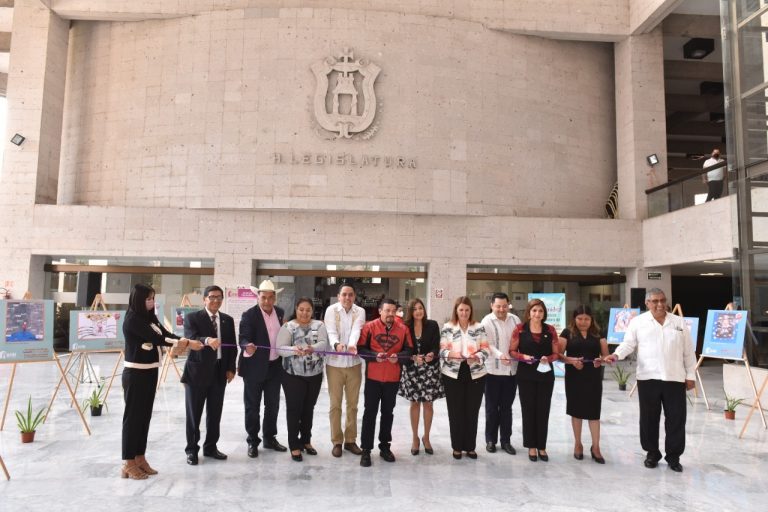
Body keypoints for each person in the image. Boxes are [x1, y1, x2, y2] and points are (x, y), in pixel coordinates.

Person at [604, 288, 696, 473]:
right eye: (655, 301)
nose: (659, 304)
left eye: (662, 300)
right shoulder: (638, 322)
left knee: (676, 419)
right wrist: (615, 355)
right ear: (647, 303)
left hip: (674, 378)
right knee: (649, 418)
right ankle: (652, 453)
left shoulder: (678, 322)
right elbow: (628, 344)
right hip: (648, 378)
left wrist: (690, 376)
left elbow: (688, 351)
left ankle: (674, 456)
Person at [121, 283, 201, 479]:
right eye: (148, 299)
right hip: (135, 374)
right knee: (133, 419)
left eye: (153, 299)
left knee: (144, 417)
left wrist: (183, 340)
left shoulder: (150, 319)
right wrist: (188, 343)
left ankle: (140, 458)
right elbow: (157, 340)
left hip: (150, 372)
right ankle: (128, 462)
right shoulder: (132, 320)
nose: (151, 302)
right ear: (138, 300)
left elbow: (165, 335)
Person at [181, 285, 237, 465]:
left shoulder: (227, 320)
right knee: (194, 414)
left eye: (219, 297)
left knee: (215, 413)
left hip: (219, 372)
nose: (216, 300)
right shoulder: (192, 318)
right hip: (197, 372)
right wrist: (206, 340)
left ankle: (211, 447)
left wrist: (231, 368)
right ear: (204, 299)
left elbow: (232, 347)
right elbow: (191, 337)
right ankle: (191, 450)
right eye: (212, 297)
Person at [357, 298, 413, 467]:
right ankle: (366, 450)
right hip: (373, 378)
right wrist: (374, 356)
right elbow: (361, 349)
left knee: (388, 413)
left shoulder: (403, 329)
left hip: (392, 379)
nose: (390, 314)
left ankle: (385, 447)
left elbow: (409, 351)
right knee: (370, 413)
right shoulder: (369, 327)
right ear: (380, 311)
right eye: (387, 310)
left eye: (393, 311)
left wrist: (400, 358)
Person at [238, 279, 287, 458]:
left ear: (275, 298)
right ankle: (252, 440)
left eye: (270, 298)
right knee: (252, 406)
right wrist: (247, 345)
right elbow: (242, 337)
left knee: (272, 405)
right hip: (254, 367)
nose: (266, 301)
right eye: (263, 297)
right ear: (257, 297)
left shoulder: (280, 313)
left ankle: (269, 437)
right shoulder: (249, 315)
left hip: (275, 366)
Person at [276, 297, 330, 462]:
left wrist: (313, 348)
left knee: (308, 409)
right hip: (293, 375)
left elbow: (324, 344)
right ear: (296, 309)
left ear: (312, 311)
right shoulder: (288, 326)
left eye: (308, 310)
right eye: (301, 309)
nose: (304, 313)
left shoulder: (319, 325)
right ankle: (294, 445)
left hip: (314, 375)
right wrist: (294, 349)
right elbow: (280, 349)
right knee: (294, 410)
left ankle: (306, 441)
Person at [509, 298, 561, 462]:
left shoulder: (550, 330)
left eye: (540, 311)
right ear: (529, 312)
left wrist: (549, 358)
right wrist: (523, 356)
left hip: (546, 376)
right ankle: (531, 446)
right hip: (526, 375)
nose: (537, 314)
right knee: (528, 410)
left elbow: (556, 354)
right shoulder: (520, 329)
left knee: (543, 410)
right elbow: (511, 351)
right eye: (534, 311)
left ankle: (542, 446)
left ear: (544, 313)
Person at [440, 296, 490, 460]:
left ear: (471, 311)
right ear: (456, 310)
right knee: (455, 411)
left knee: (471, 411)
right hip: (452, 374)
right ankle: (457, 447)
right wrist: (451, 354)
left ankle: (470, 447)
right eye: (461, 309)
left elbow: (486, 350)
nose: (464, 313)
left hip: (475, 372)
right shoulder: (448, 327)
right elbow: (441, 350)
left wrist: (477, 356)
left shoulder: (479, 327)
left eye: (467, 310)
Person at [560, 305, 609, 463]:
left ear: (591, 319)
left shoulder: (598, 333)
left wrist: (600, 361)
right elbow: (558, 355)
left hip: (593, 376)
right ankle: (578, 444)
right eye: (580, 319)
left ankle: (596, 447)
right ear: (574, 319)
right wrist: (571, 361)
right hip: (574, 376)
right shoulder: (567, 333)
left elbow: (606, 356)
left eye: (587, 319)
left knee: (594, 412)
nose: (583, 322)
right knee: (577, 411)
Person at [323, 283, 365, 457]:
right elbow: (331, 331)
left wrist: (352, 345)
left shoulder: (359, 312)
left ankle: (350, 440)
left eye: (350, 294)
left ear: (354, 296)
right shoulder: (331, 310)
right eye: (344, 294)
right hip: (334, 363)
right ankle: (336, 441)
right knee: (335, 405)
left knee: (353, 405)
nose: (347, 298)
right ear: (339, 296)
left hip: (353, 363)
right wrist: (336, 344)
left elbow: (357, 330)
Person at [397, 298, 444, 455]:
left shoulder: (432, 325)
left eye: (421, 308)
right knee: (415, 403)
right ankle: (415, 438)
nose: (419, 311)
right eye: (415, 308)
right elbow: (402, 348)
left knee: (429, 404)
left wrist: (432, 354)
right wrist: (411, 358)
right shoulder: (405, 327)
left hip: (429, 369)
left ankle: (427, 438)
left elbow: (437, 345)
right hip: (412, 370)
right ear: (411, 311)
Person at [480, 292, 521, 455]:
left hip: (511, 371)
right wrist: (500, 355)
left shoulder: (515, 320)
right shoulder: (486, 321)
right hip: (492, 371)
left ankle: (506, 441)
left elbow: (519, 342)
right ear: (492, 305)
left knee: (506, 408)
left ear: (508, 305)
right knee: (491, 408)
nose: (501, 309)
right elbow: (487, 344)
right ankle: (490, 440)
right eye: (498, 306)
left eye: (504, 306)